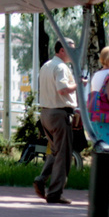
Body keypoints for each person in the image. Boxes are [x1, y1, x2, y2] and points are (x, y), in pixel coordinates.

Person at [34, 39, 78, 205]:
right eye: (70, 50)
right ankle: (55, 193)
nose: (73, 53)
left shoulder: (46, 65)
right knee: (63, 156)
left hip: (46, 113)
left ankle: (42, 178)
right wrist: (78, 84)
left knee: (55, 151)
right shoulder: (61, 67)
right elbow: (62, 89)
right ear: (61, 50)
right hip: (59, 114)